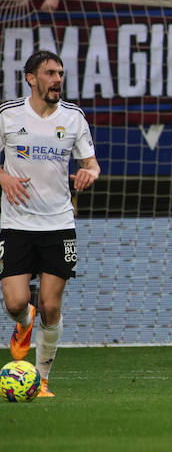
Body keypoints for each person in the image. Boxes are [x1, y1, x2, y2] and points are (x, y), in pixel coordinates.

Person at [1, 50, 99, 399]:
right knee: (15, 302)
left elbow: (92, 162)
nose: (58, 79)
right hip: (15, 223)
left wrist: (89, 172)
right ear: (31, 78)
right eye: (50, 73)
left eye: (60, 73)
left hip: (58, 222)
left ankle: (41, 380)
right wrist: (3, 177)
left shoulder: (73, 118)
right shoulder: (9, 115)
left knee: (52, 305)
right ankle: (23, 322)